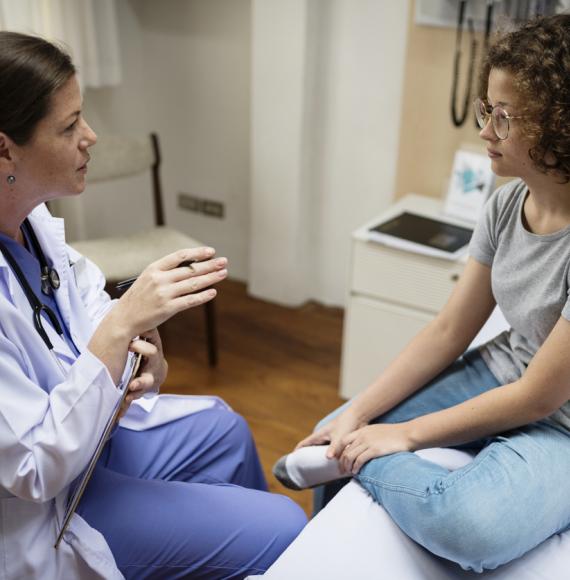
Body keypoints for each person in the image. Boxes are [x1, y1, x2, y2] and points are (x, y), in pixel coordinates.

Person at [0, 31, 306, 580]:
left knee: (225, 428)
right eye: (69, 127)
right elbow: (32, 468)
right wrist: (122, 327)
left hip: (93, 451)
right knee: (283, 524)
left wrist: (145, 358)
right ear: (5, 149)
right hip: (49, 509)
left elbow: (96, 320)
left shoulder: (33, 227)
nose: (90, 137)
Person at [275, 13, 570, 574]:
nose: (485, 131)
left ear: (561, 126)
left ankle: (353, 464)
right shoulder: (506, 207)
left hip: (561, 421)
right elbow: (449, 329)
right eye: (486, 110)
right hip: (506, 373)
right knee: (340, 426)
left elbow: (541, 398)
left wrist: (401, 436)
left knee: (469, 524)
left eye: (503, 118)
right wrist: (362, 413)